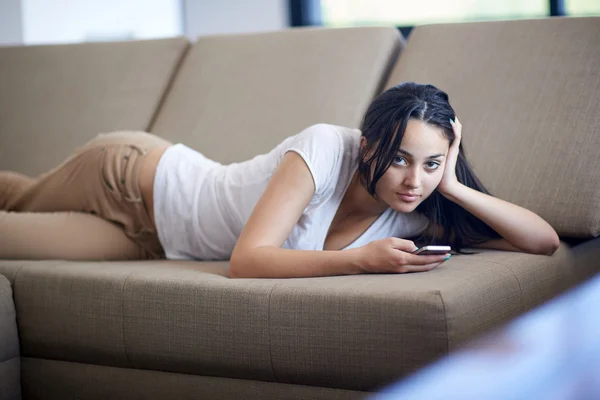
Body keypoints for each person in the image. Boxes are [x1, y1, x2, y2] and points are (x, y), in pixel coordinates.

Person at [0, 82, 559, 278]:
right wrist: (360, 261)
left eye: (431, 163)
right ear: (368, 147)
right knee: (16, 198)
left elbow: (543, 242)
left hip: (151, 244)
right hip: (131, 178)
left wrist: (453, 185)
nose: (413, 180)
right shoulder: (325, 147)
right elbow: (247, 262)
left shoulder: (420, 209)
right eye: (399, 159)